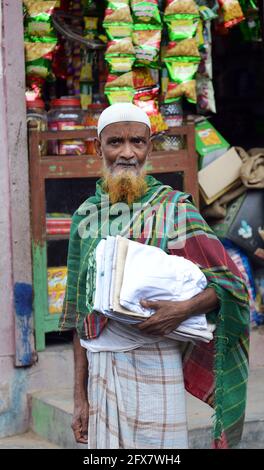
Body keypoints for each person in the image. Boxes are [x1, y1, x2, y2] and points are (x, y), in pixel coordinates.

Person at [59, 103, 250, 449]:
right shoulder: (85, 218)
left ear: (150, 146)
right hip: (101, 370)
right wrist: (79, 399)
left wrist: (183, 309)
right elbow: (78, 314)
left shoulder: (173, 210)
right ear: (97, 146)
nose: (127, 153)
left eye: (137, 142)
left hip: (157, 362)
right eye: (115, 142)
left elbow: (230, 286)